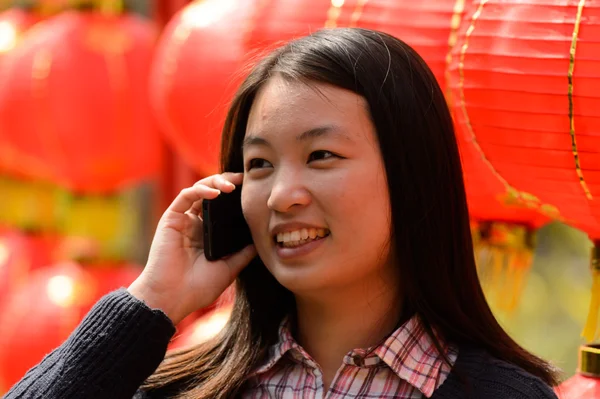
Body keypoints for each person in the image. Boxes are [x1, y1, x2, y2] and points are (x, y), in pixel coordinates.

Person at [4, 28, 560, 399]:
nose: (281, 195)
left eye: (321, 156)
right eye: (260, 164)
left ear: (410, 175)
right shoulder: (186, 389)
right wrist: (151, 304)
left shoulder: (501, 393)